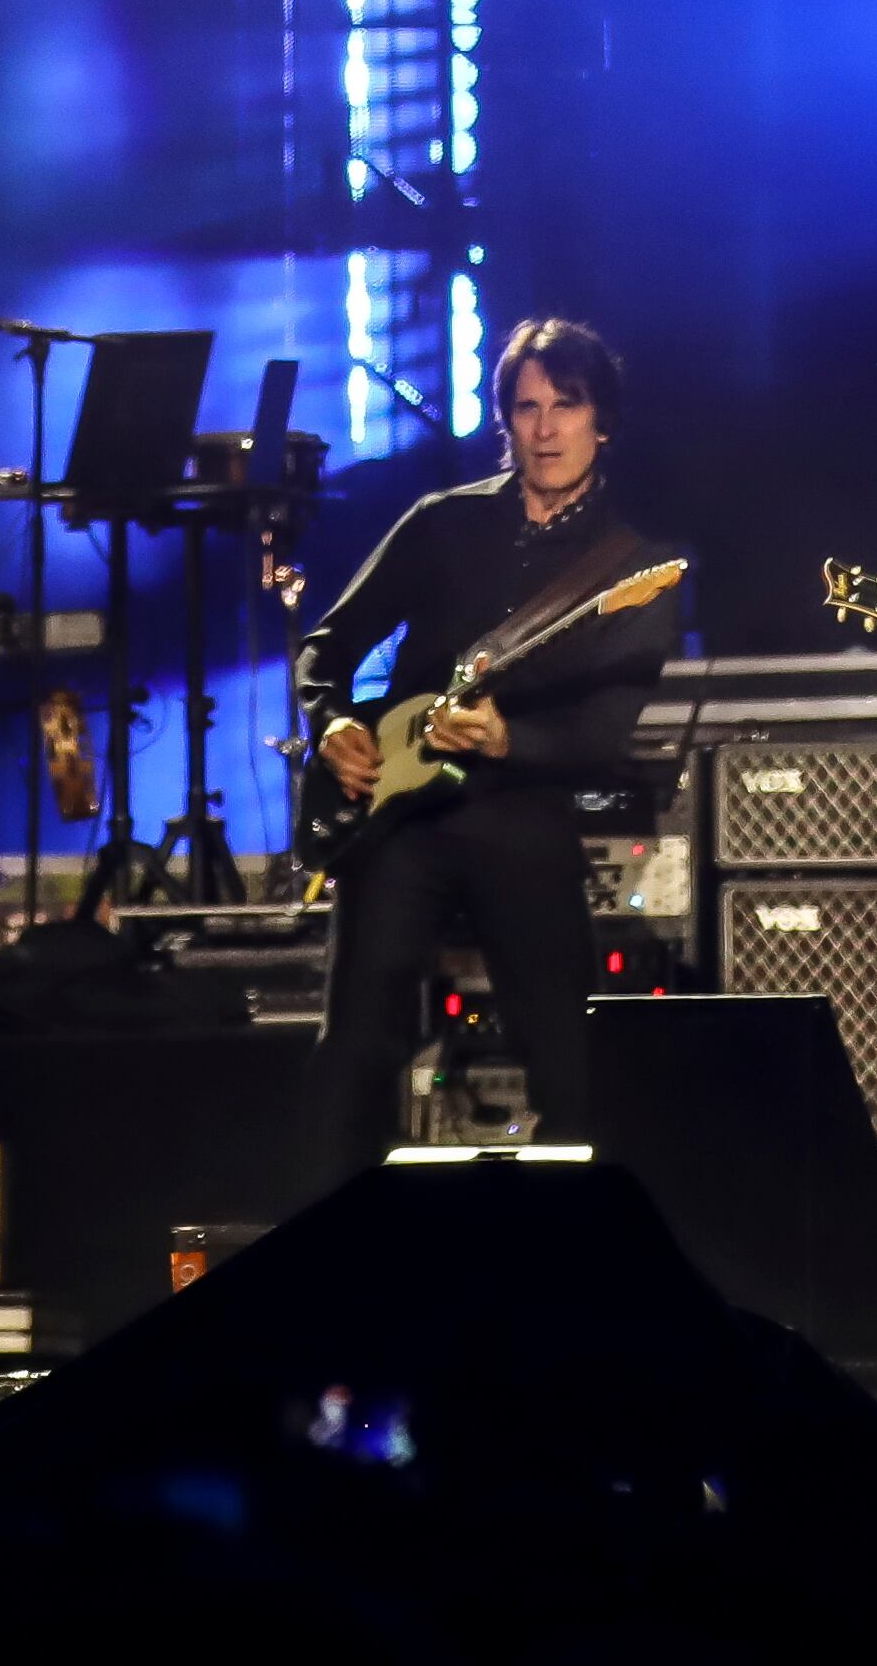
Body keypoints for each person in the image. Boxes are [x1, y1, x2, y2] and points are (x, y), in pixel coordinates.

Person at [293, 318, 680, 1180]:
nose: (542, 428)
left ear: (601, 421)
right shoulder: (442, 522)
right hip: (399, 817)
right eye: (525, 407)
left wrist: (511, 737)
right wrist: (331, 725)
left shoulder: (636, 570)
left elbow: (601, 739)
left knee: (572, 1060)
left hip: (520, 816)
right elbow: (328, 642)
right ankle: (323, 1247)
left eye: (564, 407)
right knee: (354, 1046)